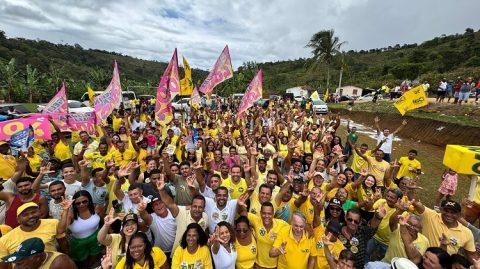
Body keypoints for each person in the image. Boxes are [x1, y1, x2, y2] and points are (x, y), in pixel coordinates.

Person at [0, 202, 68, 269]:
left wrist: (64, 260)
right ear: (18, 220)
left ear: (39, 212)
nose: (31, 216)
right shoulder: (4, 240)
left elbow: (63, 244)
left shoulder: (53, 223)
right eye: (25, 214)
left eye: (33, 212)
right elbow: (3, 265)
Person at [60, 190, 103, 269]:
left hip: (96, 237)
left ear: (89, 200)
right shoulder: (71, 214)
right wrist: (65, 210)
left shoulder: (96, 208)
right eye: (78, 203)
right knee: (82, 263)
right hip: (78, 242)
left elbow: (102, 220)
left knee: (94, 259)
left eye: (84, 201)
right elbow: (60, 231)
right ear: (74, 204)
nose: (81, 204)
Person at [1, 237, 76, 269]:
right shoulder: (26, 265)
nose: (16, 267)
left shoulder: (61, 264)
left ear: (37, 257)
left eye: (20, 263)